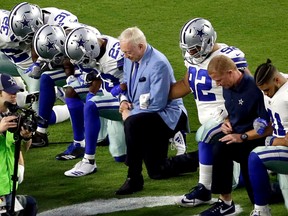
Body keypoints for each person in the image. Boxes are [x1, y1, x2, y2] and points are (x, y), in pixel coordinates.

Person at [172, 18, 250, 207]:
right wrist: (158, 99)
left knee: (204, 135)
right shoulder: (193, 60)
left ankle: (205, 189)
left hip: (229, 121)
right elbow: (186, 84)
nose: (190, 53)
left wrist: (234, 114)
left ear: (207, 42)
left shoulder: (229, 56)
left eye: (194, 48)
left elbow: (249, 88)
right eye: (188, 49)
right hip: (213, 124)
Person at [115, 26, 189, 195]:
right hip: (144, 113)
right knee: (157, 171)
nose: (125, 56)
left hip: (166, 115)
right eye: (124, 52)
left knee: (132, 123)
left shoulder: (158, 64)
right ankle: (201, 158)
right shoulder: (129, 57)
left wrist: (129, 114)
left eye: (128, 52)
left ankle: (133, 177)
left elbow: (158, 103)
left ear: (141, 46)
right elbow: (125, 82)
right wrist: (124, 100)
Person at [196, 55, 272, 216]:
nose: (218, 84)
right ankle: (225, 203)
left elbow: (268, 127)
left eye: (219, 80)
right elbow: (232, 110)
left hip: (254, 140)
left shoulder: (255, 89)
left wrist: (242, 137)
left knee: (258, 195)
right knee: (220, 149)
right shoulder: (227, 86)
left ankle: (273, 191)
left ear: (230, 72)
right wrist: (227, 121)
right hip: (237, 137)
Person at [7, 2, 78, 147]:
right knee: (42, 85)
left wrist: (46, 65)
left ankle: (73, 111)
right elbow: (35, 53)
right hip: (55, 62)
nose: (26, 41)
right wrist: (39, 64)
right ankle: (42, 130)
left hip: (78, 64)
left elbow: (74, 57)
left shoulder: (64, 24)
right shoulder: (34, 26)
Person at [62, 26, 128, 177]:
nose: (82, 63)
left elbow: (134, 82)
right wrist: (91, 93)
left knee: (92, 106)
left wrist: (119, 91)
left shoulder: (117, 57)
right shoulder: (96, 44)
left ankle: (89, 161)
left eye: (84, 59)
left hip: (129, 100)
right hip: (111, 95)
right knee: (120, 157)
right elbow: (97, 74)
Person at [248, 59, 288, 216]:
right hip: (282, 147)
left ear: (277, 80)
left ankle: (261, 211)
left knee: (256, 156)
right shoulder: (277, 84)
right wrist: (265, 125)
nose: (265, 94)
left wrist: (271, 140)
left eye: (266, 90)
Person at [0, 73, 37, 216]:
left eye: (15, 91)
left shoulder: (10, 114)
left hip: (7, 185)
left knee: (30, 204)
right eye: (9, 91)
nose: (14, 95)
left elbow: (18, 145)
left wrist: (26, 137)